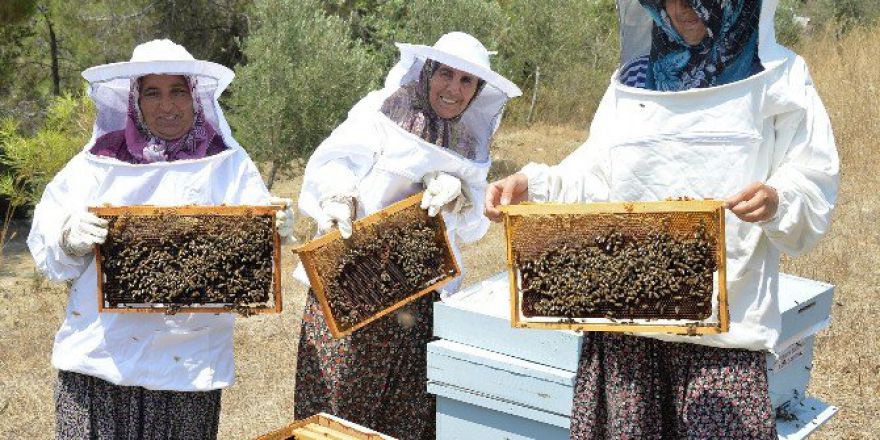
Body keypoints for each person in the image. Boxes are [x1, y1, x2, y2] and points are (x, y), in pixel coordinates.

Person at [485, 0, 838, 438]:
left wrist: (778, 199)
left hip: (724, 334)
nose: (679, 7)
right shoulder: (634, 80)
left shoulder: (778, 74)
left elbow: (812, 174)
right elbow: (594, 172)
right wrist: (533, 185)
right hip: (625, 326)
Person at [27, 39, 295, 439]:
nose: (167, 105)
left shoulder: (228, 163)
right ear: (135, 99)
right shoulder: (97, 162)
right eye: (153, 92)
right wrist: (67, 235)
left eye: (177, 90)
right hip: (100, 359)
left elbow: (256, 242)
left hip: (185, 363)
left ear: (195, 96)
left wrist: (272, 229)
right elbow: (46, 244)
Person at [293, 32, 521, 439]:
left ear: (478, 90)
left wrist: (459, 198)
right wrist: (337, 197)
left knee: (406, 420)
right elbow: (333, 161)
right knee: (335, 417)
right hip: (351, 286)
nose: (453, 89)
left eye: (466, 81)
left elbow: (472, 229)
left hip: (419, 300)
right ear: (428, 70)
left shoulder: (469, 140)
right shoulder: (379, 110)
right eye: (446, 74)